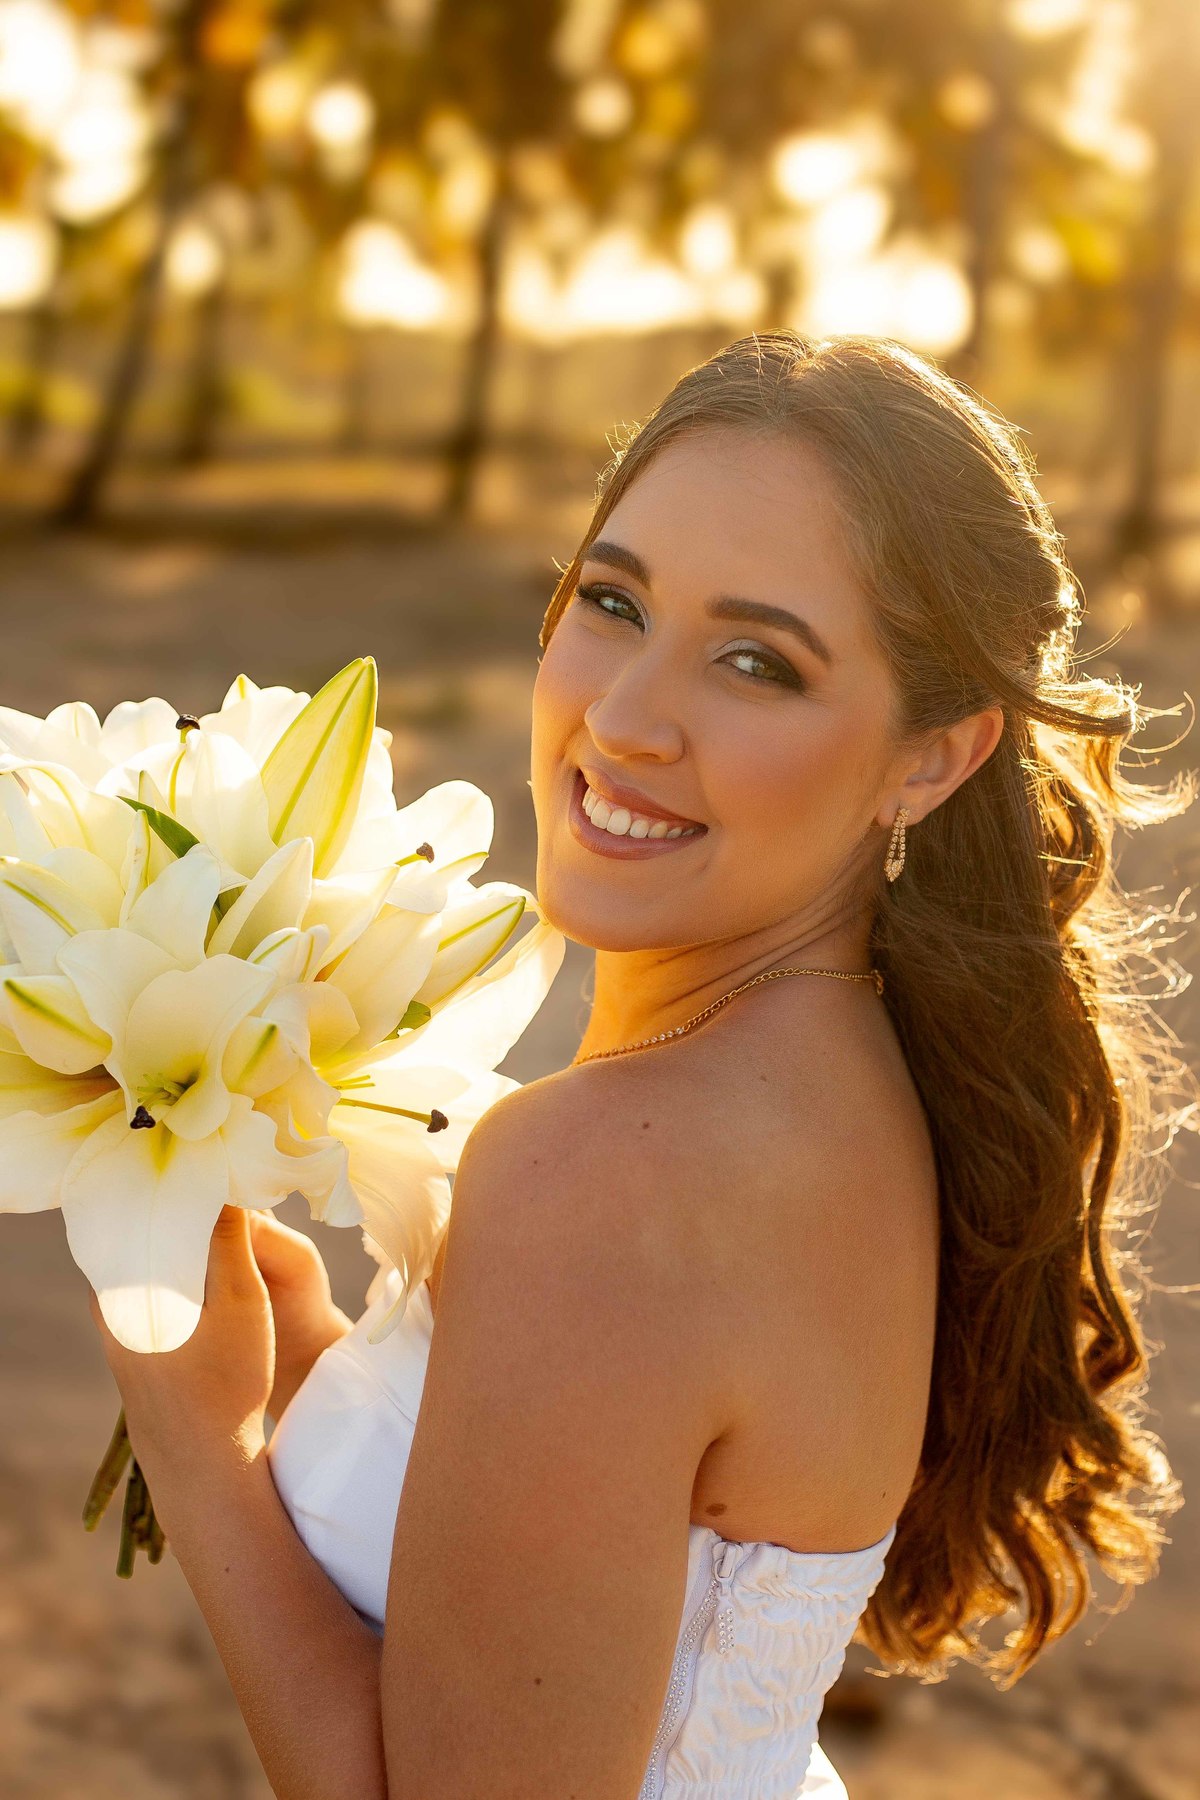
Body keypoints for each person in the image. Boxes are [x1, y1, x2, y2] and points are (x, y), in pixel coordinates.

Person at [90, 332, 1195, 1800]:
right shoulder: (853, 1087)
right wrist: (300, 1365)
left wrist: (199, 1440)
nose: (621, 720)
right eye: (613, 601)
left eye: (757, 660)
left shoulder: (612, 1165)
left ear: (931, 756)